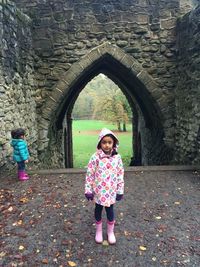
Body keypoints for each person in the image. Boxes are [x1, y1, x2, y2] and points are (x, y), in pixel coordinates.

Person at [85, 128, 124, 244]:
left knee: (110, 211)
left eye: (109, 142)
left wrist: (120, 190)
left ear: (113, 143)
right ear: (100, 143)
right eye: (104, 142)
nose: (107, 145)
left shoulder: (117, 158)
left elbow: (120, 174)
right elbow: (90, 174)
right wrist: (88, 190)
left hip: (111, 192)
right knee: (98, 210)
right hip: (98, 191)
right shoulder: (95, 157)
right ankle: (98, 231)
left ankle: (110, 232)